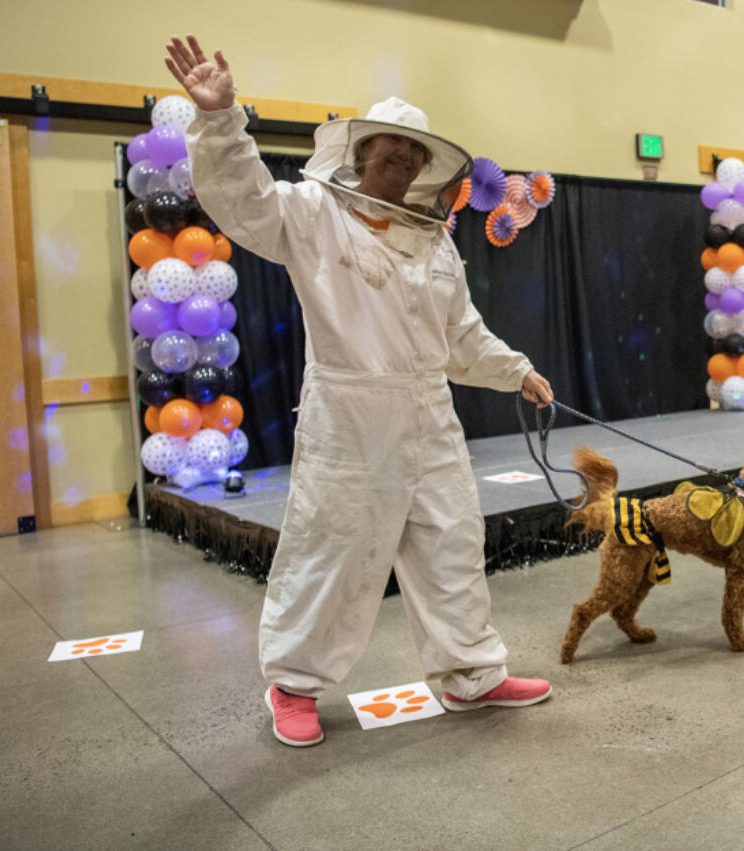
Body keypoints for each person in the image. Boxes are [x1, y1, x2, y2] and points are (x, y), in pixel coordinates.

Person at [165, 35, 555, 747]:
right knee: (331, 546)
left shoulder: (435, 240)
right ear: (361, 152)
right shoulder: (315, 214)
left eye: (413, 154)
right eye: (388, 148)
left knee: (452, 541)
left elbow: (461, 335)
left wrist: (517, 371)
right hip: (348, 413)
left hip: (428, 413)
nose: (401, 160)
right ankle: (294, 682)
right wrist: (222, 120)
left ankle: (473, 674)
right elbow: (244, 201)